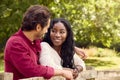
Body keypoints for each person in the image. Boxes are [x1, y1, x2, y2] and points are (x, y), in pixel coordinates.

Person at [4, 5, 74, 80]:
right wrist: (62, 72)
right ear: (38, 27)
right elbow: (31, 70)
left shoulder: (34, 41)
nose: (46, 31)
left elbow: (52, 43)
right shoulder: (15, 43)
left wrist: (74, 48)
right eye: (46, 28)